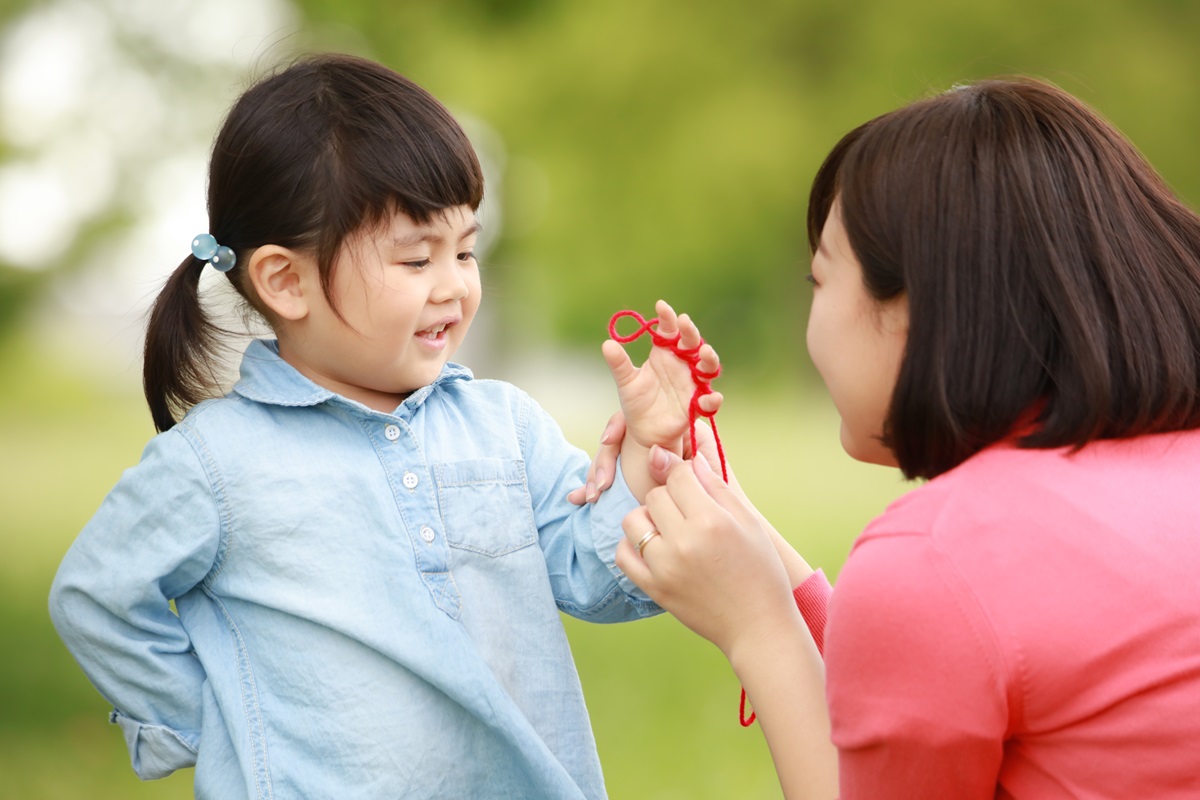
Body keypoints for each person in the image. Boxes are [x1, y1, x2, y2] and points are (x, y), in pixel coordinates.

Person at [47, 53, 722, 800]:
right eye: (416, 259)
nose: (454, 285)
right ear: (286, 281)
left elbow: (595, 579)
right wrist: (219, 723)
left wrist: (647, 457)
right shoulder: (218, 463)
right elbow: (99, 594)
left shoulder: (504, 427)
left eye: (465, 250)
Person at [581, 77, 1200, 798]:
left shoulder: (937, 561)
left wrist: (759, 631)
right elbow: (952, 663)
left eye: (819, 280)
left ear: (914, 306)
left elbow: (940, 613)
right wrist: (726, 511)